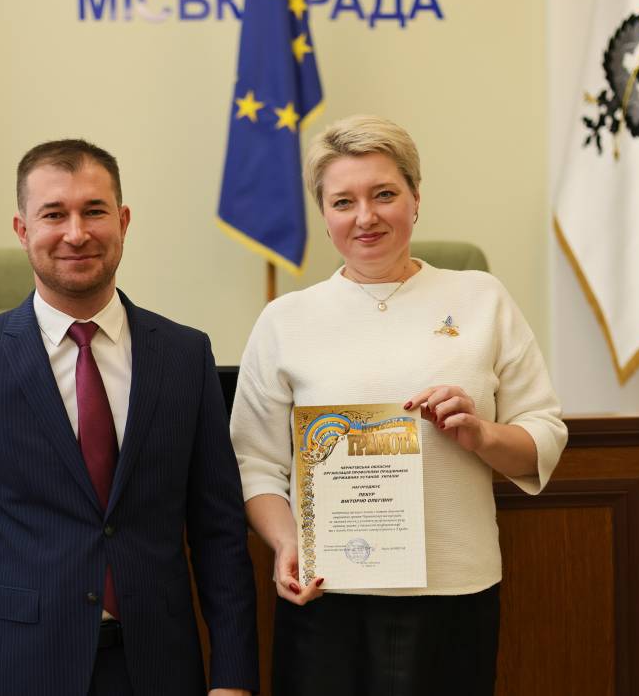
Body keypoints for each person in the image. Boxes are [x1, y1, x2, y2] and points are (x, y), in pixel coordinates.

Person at [231, 115, 567, 695]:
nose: (365, 216)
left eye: (384, 194)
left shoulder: (482, 298)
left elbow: (543, 434)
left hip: (455, 591)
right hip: (328, 594)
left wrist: (481, 434)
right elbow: (255, 464)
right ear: (324, 215)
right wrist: (287, 544)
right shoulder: (285, 320)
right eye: (343, 201)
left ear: (415, 198)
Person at [0, 139, 258, 696]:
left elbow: (219, 535)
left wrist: (233, 678)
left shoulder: (185, 356)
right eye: (54, 214)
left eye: (94, 211)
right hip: (20, 670)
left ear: (123, 221)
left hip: (160, 668)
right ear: (23, 229)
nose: (76, 233)